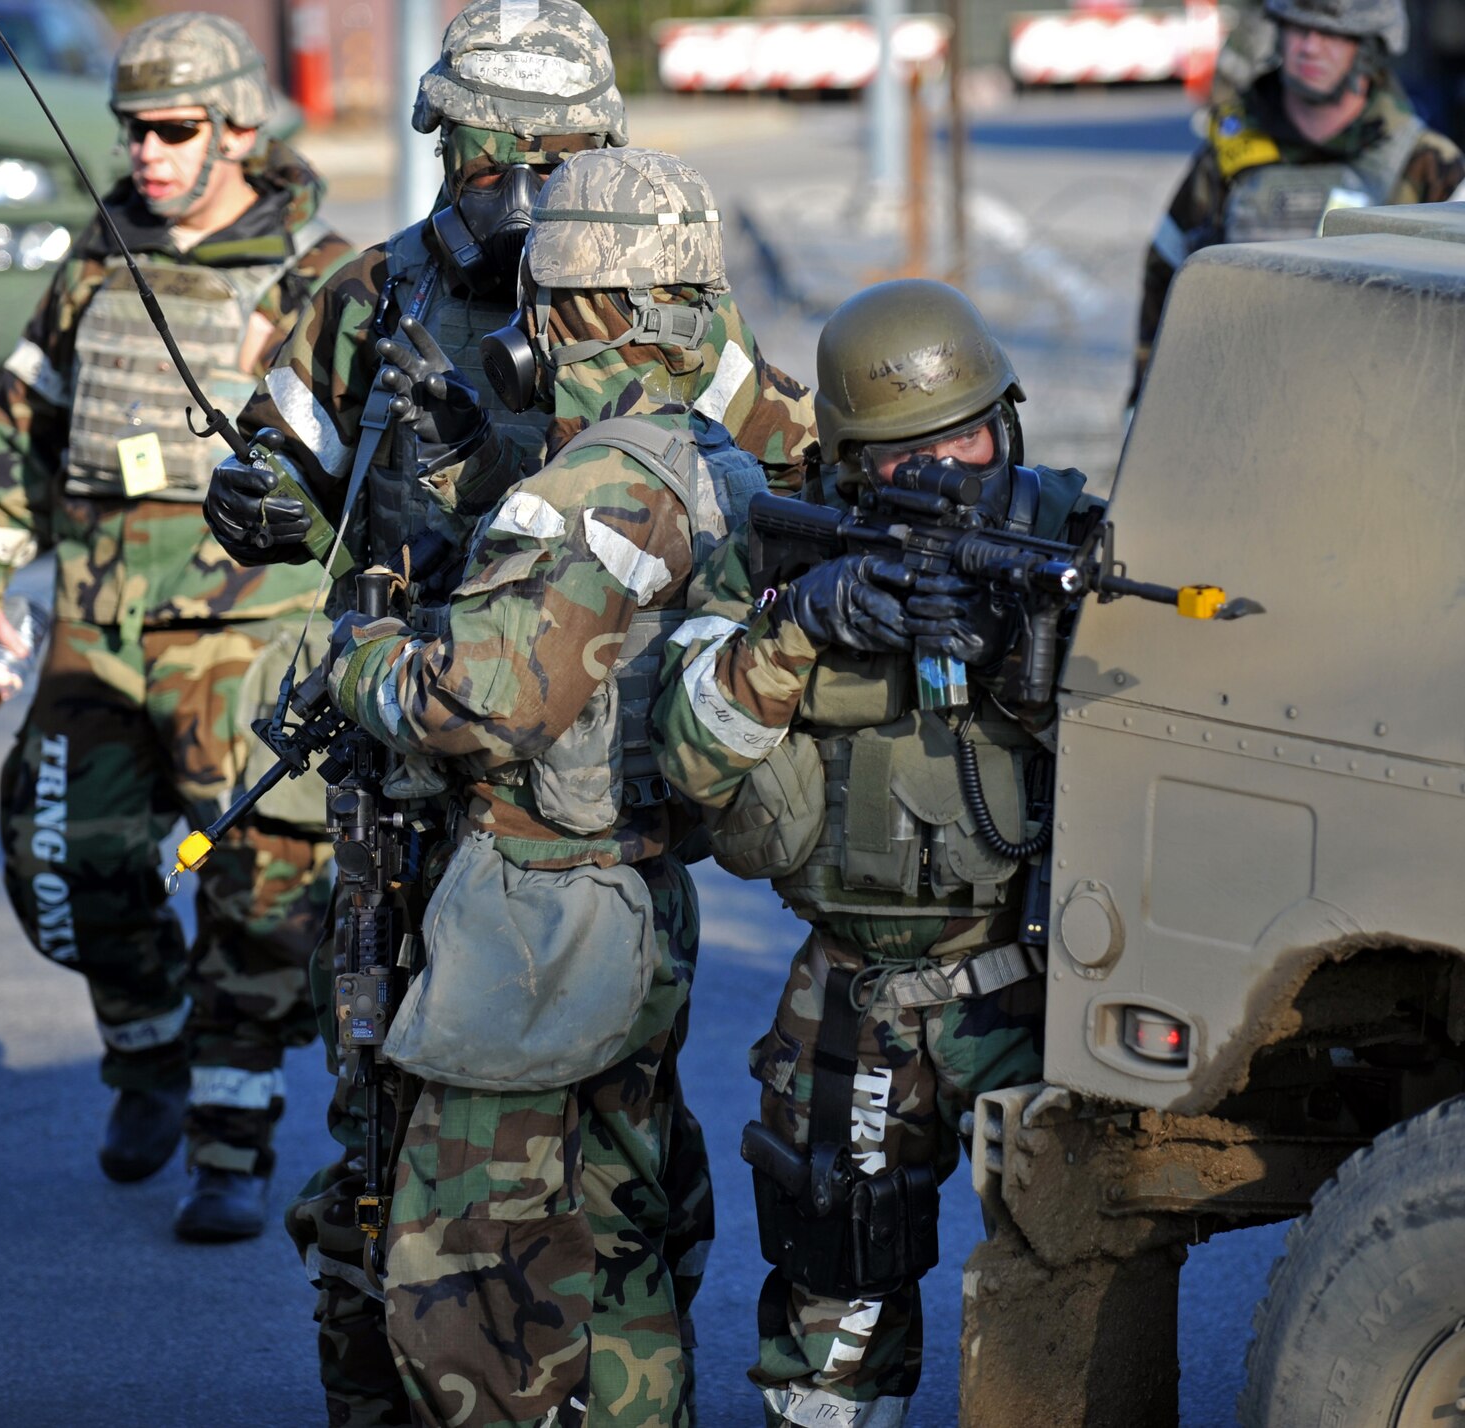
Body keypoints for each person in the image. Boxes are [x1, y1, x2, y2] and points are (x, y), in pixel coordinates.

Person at [205, 3, 814, 1419]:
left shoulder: (655, 291)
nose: (533, 195)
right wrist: (261, 507)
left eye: (563, 158)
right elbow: (280, 476)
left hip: (578, 806)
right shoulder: (374, 295)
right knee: (395, 1150)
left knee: (612, 1169)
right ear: (448, 150)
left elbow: (758, 475)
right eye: (503, 167)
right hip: (403, 802)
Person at [299, 145, 765, 1428]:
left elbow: (478, 705)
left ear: (580, 312)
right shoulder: (717, 461)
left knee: (481, 1286)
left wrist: (358, 665)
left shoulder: (589, 489)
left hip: (534, 921)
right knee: (614, 1242)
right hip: (634, 904)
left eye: (539, 305)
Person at [651, 278, 1098, 1427]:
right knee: (832, 1287)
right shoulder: (781, 568)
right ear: (850, 466)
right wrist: (805, 624)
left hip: (1036, 979)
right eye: (913, 452)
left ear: (1008, 422)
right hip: (851, 991)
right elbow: (693, 764)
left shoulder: (1068, 543)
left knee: (1069, 1285)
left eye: (969, 433)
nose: (952, 468)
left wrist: (1031, 656)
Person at [0, 12, 350, 1241]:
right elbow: (21, 431)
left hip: (253, 640)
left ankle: (232, 1142)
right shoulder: (93, 259)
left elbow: (383, 471)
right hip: (100, 628)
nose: (148, 152)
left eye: (173, 129)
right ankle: (149, 1050)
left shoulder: (322, 275)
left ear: (238, 129)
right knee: (62, 865)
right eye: (130, 130)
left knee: (260, 892)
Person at [1134, 0, 1465, 398]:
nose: (1309, 47)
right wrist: (1144, 409)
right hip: (1242, 406)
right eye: (1297, 28)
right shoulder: (1232, 157)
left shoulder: (1427, 163)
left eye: (1331, 33)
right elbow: (1165, 277)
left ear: (1368, 48)